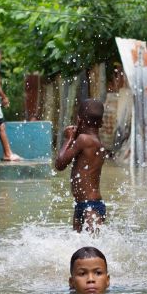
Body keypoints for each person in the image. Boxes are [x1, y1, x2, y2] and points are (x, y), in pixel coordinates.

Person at [54, 99, 108, 232]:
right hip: (87, 204)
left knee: (89, 247)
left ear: (79, 120)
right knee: (84, 247)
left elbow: (60, 164)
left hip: (89, 207)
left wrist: (68, 138)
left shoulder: (83, 140)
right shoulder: (95, 142)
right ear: (101, 123)